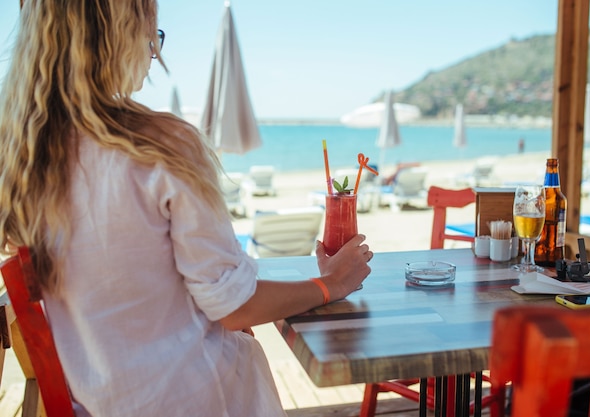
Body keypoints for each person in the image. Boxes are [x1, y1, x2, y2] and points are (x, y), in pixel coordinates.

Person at [0, 2, 372, 416]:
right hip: (197, 398)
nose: (154, 50)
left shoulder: (23, 158)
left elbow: (125, 284)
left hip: (100, 401)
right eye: (153, 33)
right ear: (125, 28)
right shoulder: (159, 147)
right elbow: (235, 307)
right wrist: (332, 285)